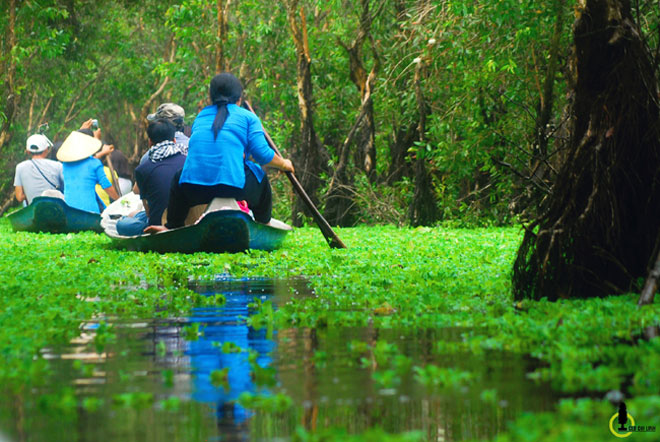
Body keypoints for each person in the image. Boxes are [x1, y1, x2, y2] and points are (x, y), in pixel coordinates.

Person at [147, 73, 294, 232]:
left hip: (193, 188)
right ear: (239, 98)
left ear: (211, 97)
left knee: (179, 178)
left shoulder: (201, 116)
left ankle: (172, 225)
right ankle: (263, 223)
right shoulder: (248, 117)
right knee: (260, 176)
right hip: (233, 187)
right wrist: (284, 164)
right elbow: (262, 155)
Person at [116, 119, 187, 236]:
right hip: (186, 221)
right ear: (174, 140)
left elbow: (149, 212)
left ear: (150, 142)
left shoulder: (143, 169)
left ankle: (130, 217)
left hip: (158, 225)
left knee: (122, 224)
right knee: (139, 215)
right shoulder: (187, 161)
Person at [57, 119, 119, 213]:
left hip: (69, 211)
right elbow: (106, 186)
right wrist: (119, 201)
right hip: (90, 212)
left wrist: (80, 132)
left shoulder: (65, 164)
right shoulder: (94, 163)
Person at [14, 133, 64, 205]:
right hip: (55, 209)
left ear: (28, 151)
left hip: (34, 211)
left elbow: (19, 197)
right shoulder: (58, 166)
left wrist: (31, 192)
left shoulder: (20, 167)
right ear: (46, 150)